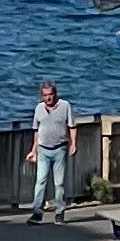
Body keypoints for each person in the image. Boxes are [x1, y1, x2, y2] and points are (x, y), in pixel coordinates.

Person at [29, 80, 75, 221]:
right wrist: (33, 150)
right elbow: (36, 131)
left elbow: (72, 126)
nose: (48, 98)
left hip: (59, 148)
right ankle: (37, 212)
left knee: (59, 183)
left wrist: (73, 144)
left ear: (55, 94)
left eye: (50, 95)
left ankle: (60, 211)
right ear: (41, 96)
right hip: (43, 149)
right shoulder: (39, 108)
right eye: (45, 95)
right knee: (40, 181)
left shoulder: (65, 106)